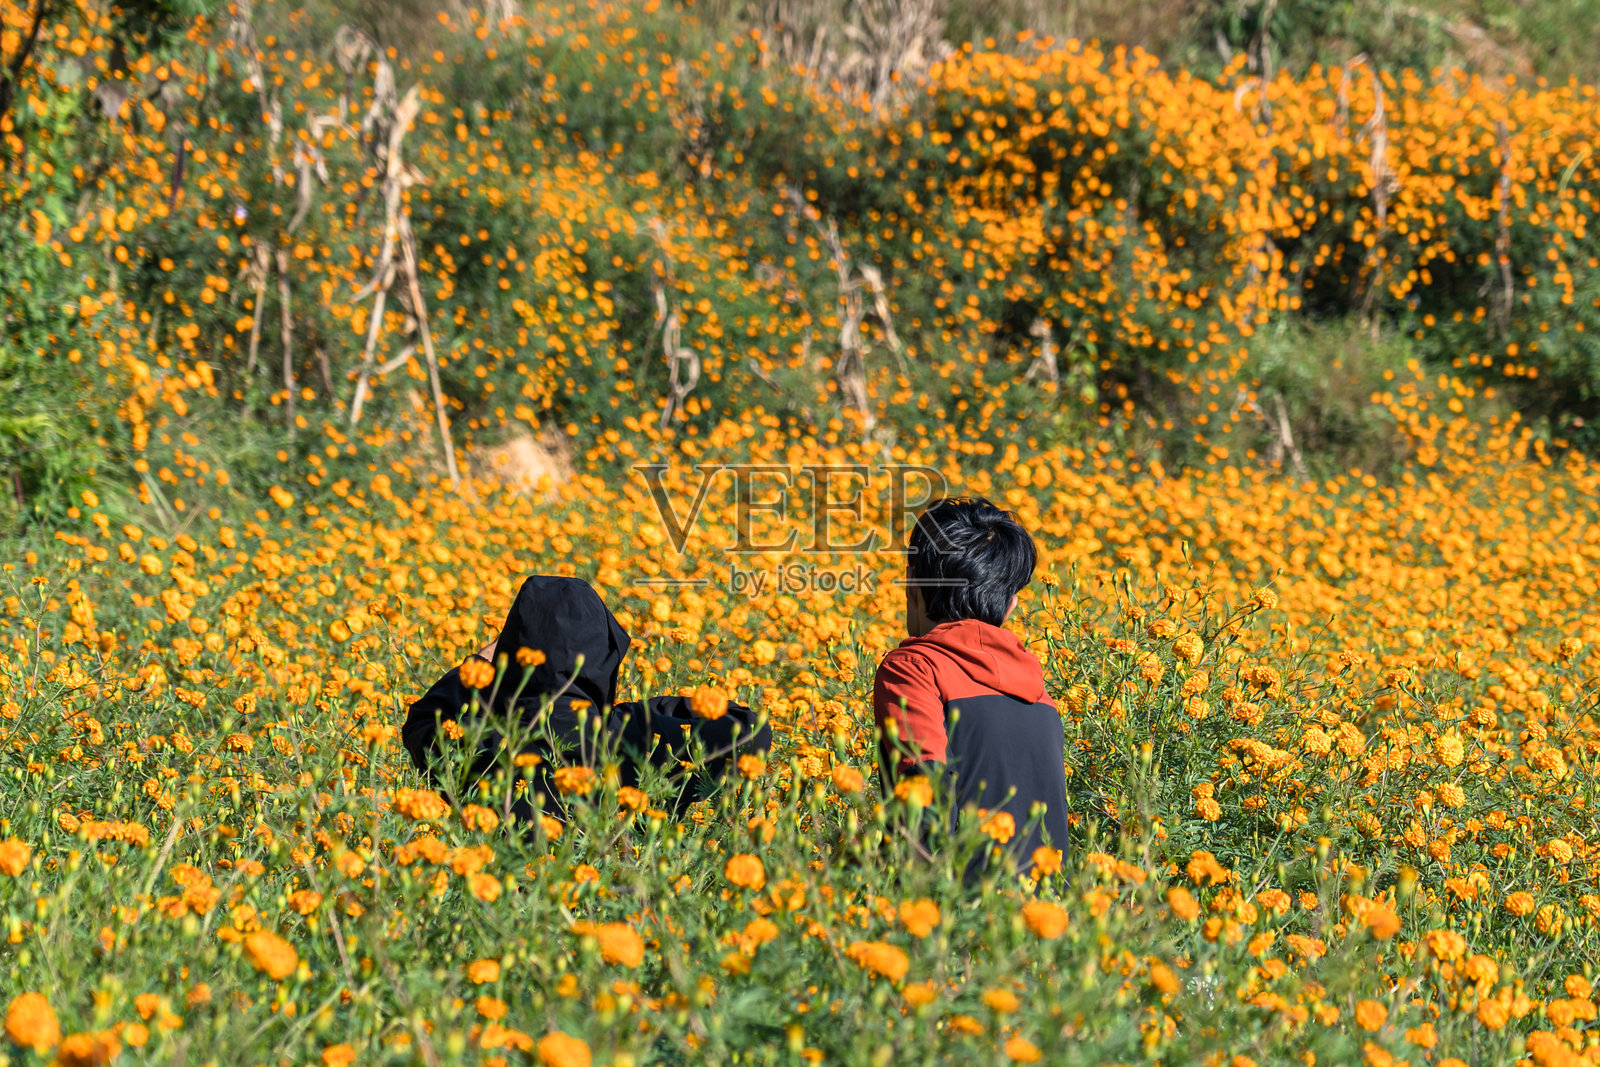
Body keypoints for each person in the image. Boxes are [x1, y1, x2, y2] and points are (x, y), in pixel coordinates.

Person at [402, 574, 770, 825]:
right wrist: (656, 710)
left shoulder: (472, 742)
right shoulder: (632, 737)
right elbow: (751, 730)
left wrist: (489, 656)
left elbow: (422, 719)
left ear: (512, 653)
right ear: (604, 654)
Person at [873, 498, 1069, 879]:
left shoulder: (915, 670)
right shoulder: (1042, 695)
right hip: (1046, 919)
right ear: (1011, 606)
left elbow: (923, 798)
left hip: (961, 916)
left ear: (912, 584)